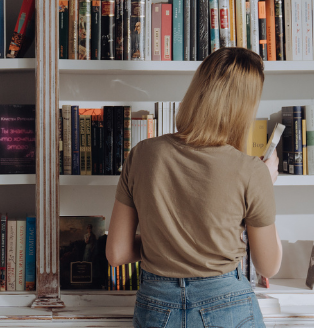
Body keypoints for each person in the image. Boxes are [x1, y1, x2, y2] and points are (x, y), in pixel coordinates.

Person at [106, 47, 281, 328]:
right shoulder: (252, 170)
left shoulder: (142, 154)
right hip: (228, 305)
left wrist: (165, 244)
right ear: (245, 108)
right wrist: (266, 184)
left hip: (156, 305)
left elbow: (117, 253)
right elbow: (268, 265)